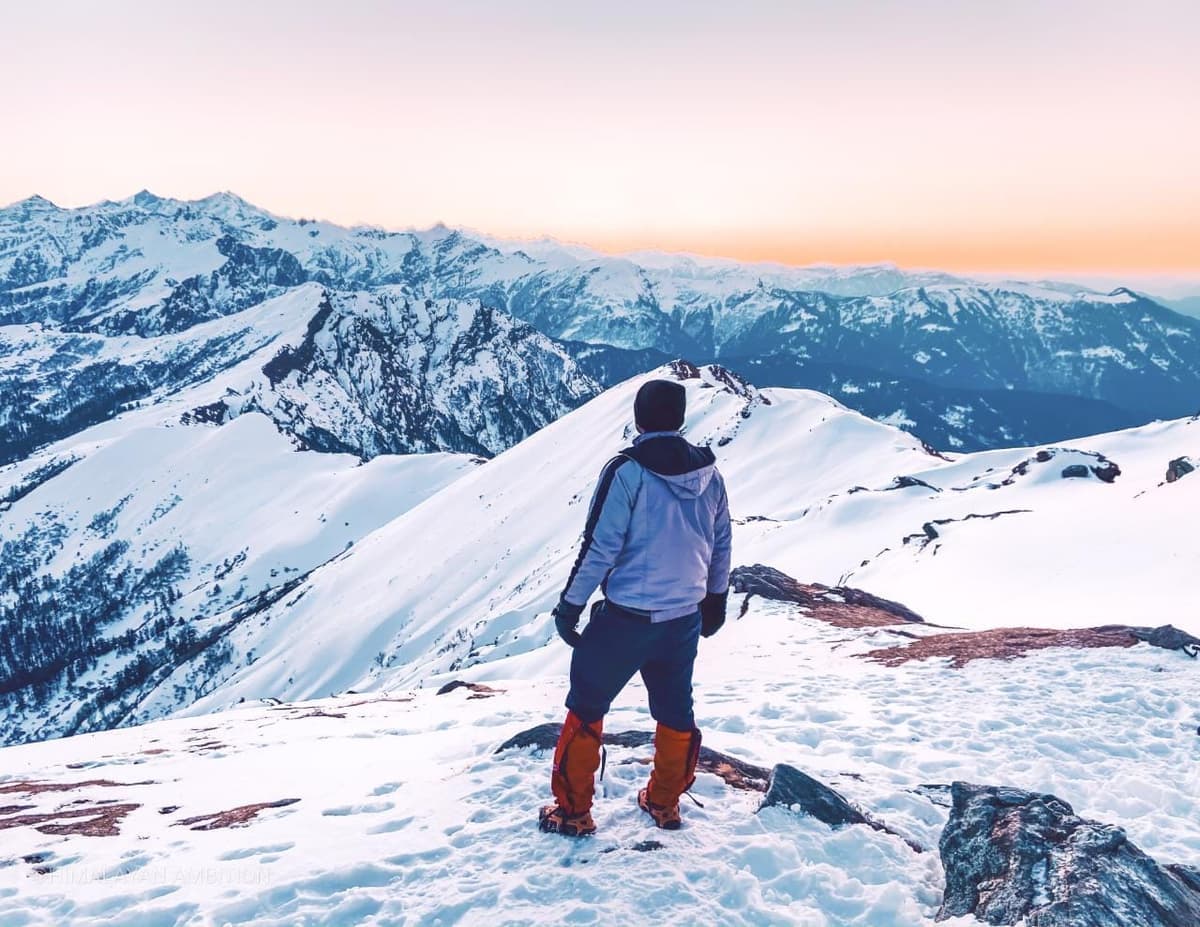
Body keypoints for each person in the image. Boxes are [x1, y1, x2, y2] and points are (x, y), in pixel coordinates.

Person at [538, 378, 733, 837]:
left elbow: (600, 547)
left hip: (627, 616)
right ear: (680, 420)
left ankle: (574, 811)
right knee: (674, 710)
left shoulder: (627, 471)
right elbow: (721, 543)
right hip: (683, 616)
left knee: (586, 705)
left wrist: (570, 606)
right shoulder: (710, 475)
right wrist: (715, 601)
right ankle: (664, 803)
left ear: (639, 419)